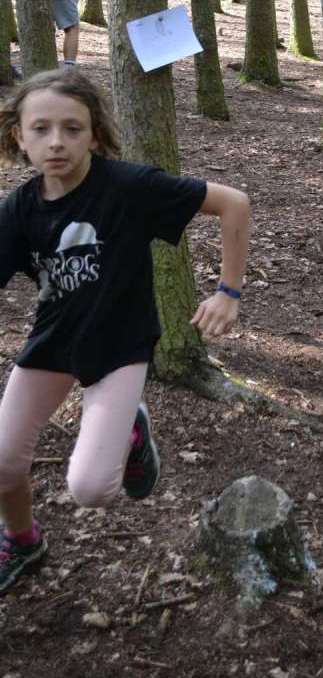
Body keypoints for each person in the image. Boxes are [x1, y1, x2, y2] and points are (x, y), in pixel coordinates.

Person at [0, 69, 251, 594]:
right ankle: (23, 541)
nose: (56, 141)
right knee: (2, 461)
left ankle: (132, 433)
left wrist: (227, 292)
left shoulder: (129, 187)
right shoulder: (18, 210)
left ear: (94, 134)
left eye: (72, 128)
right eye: (41, 128)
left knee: (91, 489)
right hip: (54, 342)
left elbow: (233, 202)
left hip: (120, 347)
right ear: (19, 135)